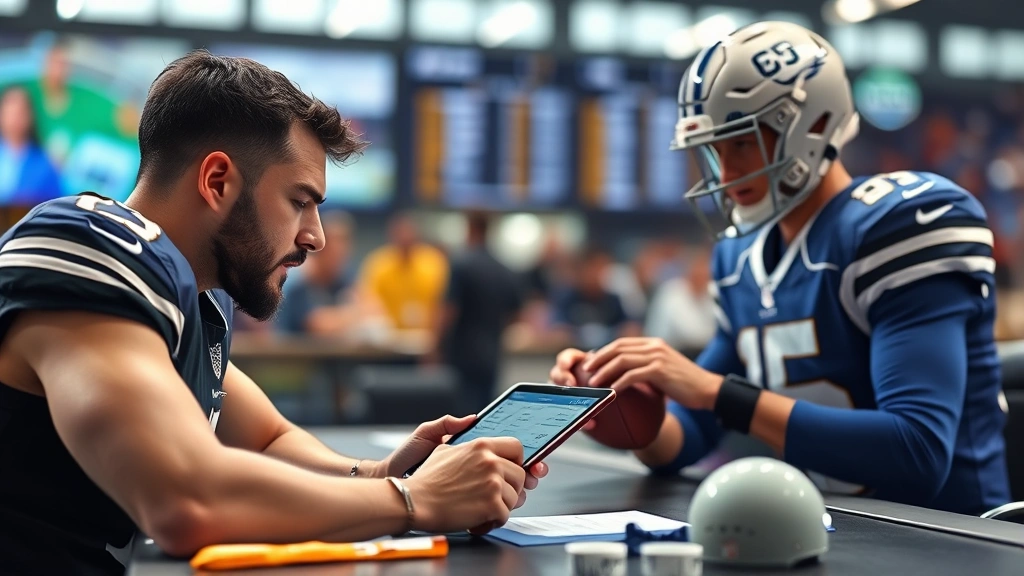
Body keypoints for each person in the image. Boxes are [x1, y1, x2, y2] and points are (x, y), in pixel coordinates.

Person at [0, 50, 546, 576]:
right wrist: (412, 498)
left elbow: (267, 441)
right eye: (299, 201)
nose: (316, 237)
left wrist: (379, 473)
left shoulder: (192, 297)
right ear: (217, 182)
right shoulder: (87, 246)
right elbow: (185, 501)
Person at [550, 21, 1009, 515]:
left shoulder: (899, 223)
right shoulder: (739, 256)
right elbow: (691, 435)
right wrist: (633, 416)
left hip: (952, 539)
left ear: (810, 123)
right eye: (715, 150)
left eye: (743, 143)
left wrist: (714, 391)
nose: (725, 175)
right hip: (830, 531)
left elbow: (917, 450)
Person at [430, 210, 525, 414]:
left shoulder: (461, 264)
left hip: (461, 355)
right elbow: (517, 314)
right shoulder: (503, 268)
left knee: (459, 417)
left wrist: (435, 346)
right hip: (491, 354)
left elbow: (449, 310)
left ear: (469, 227)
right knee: (484, 414)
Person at [0, 85, 61, 204]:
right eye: (10, 112)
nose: (14, 118)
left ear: (30, 116)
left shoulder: (44, 166)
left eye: (20, 112)